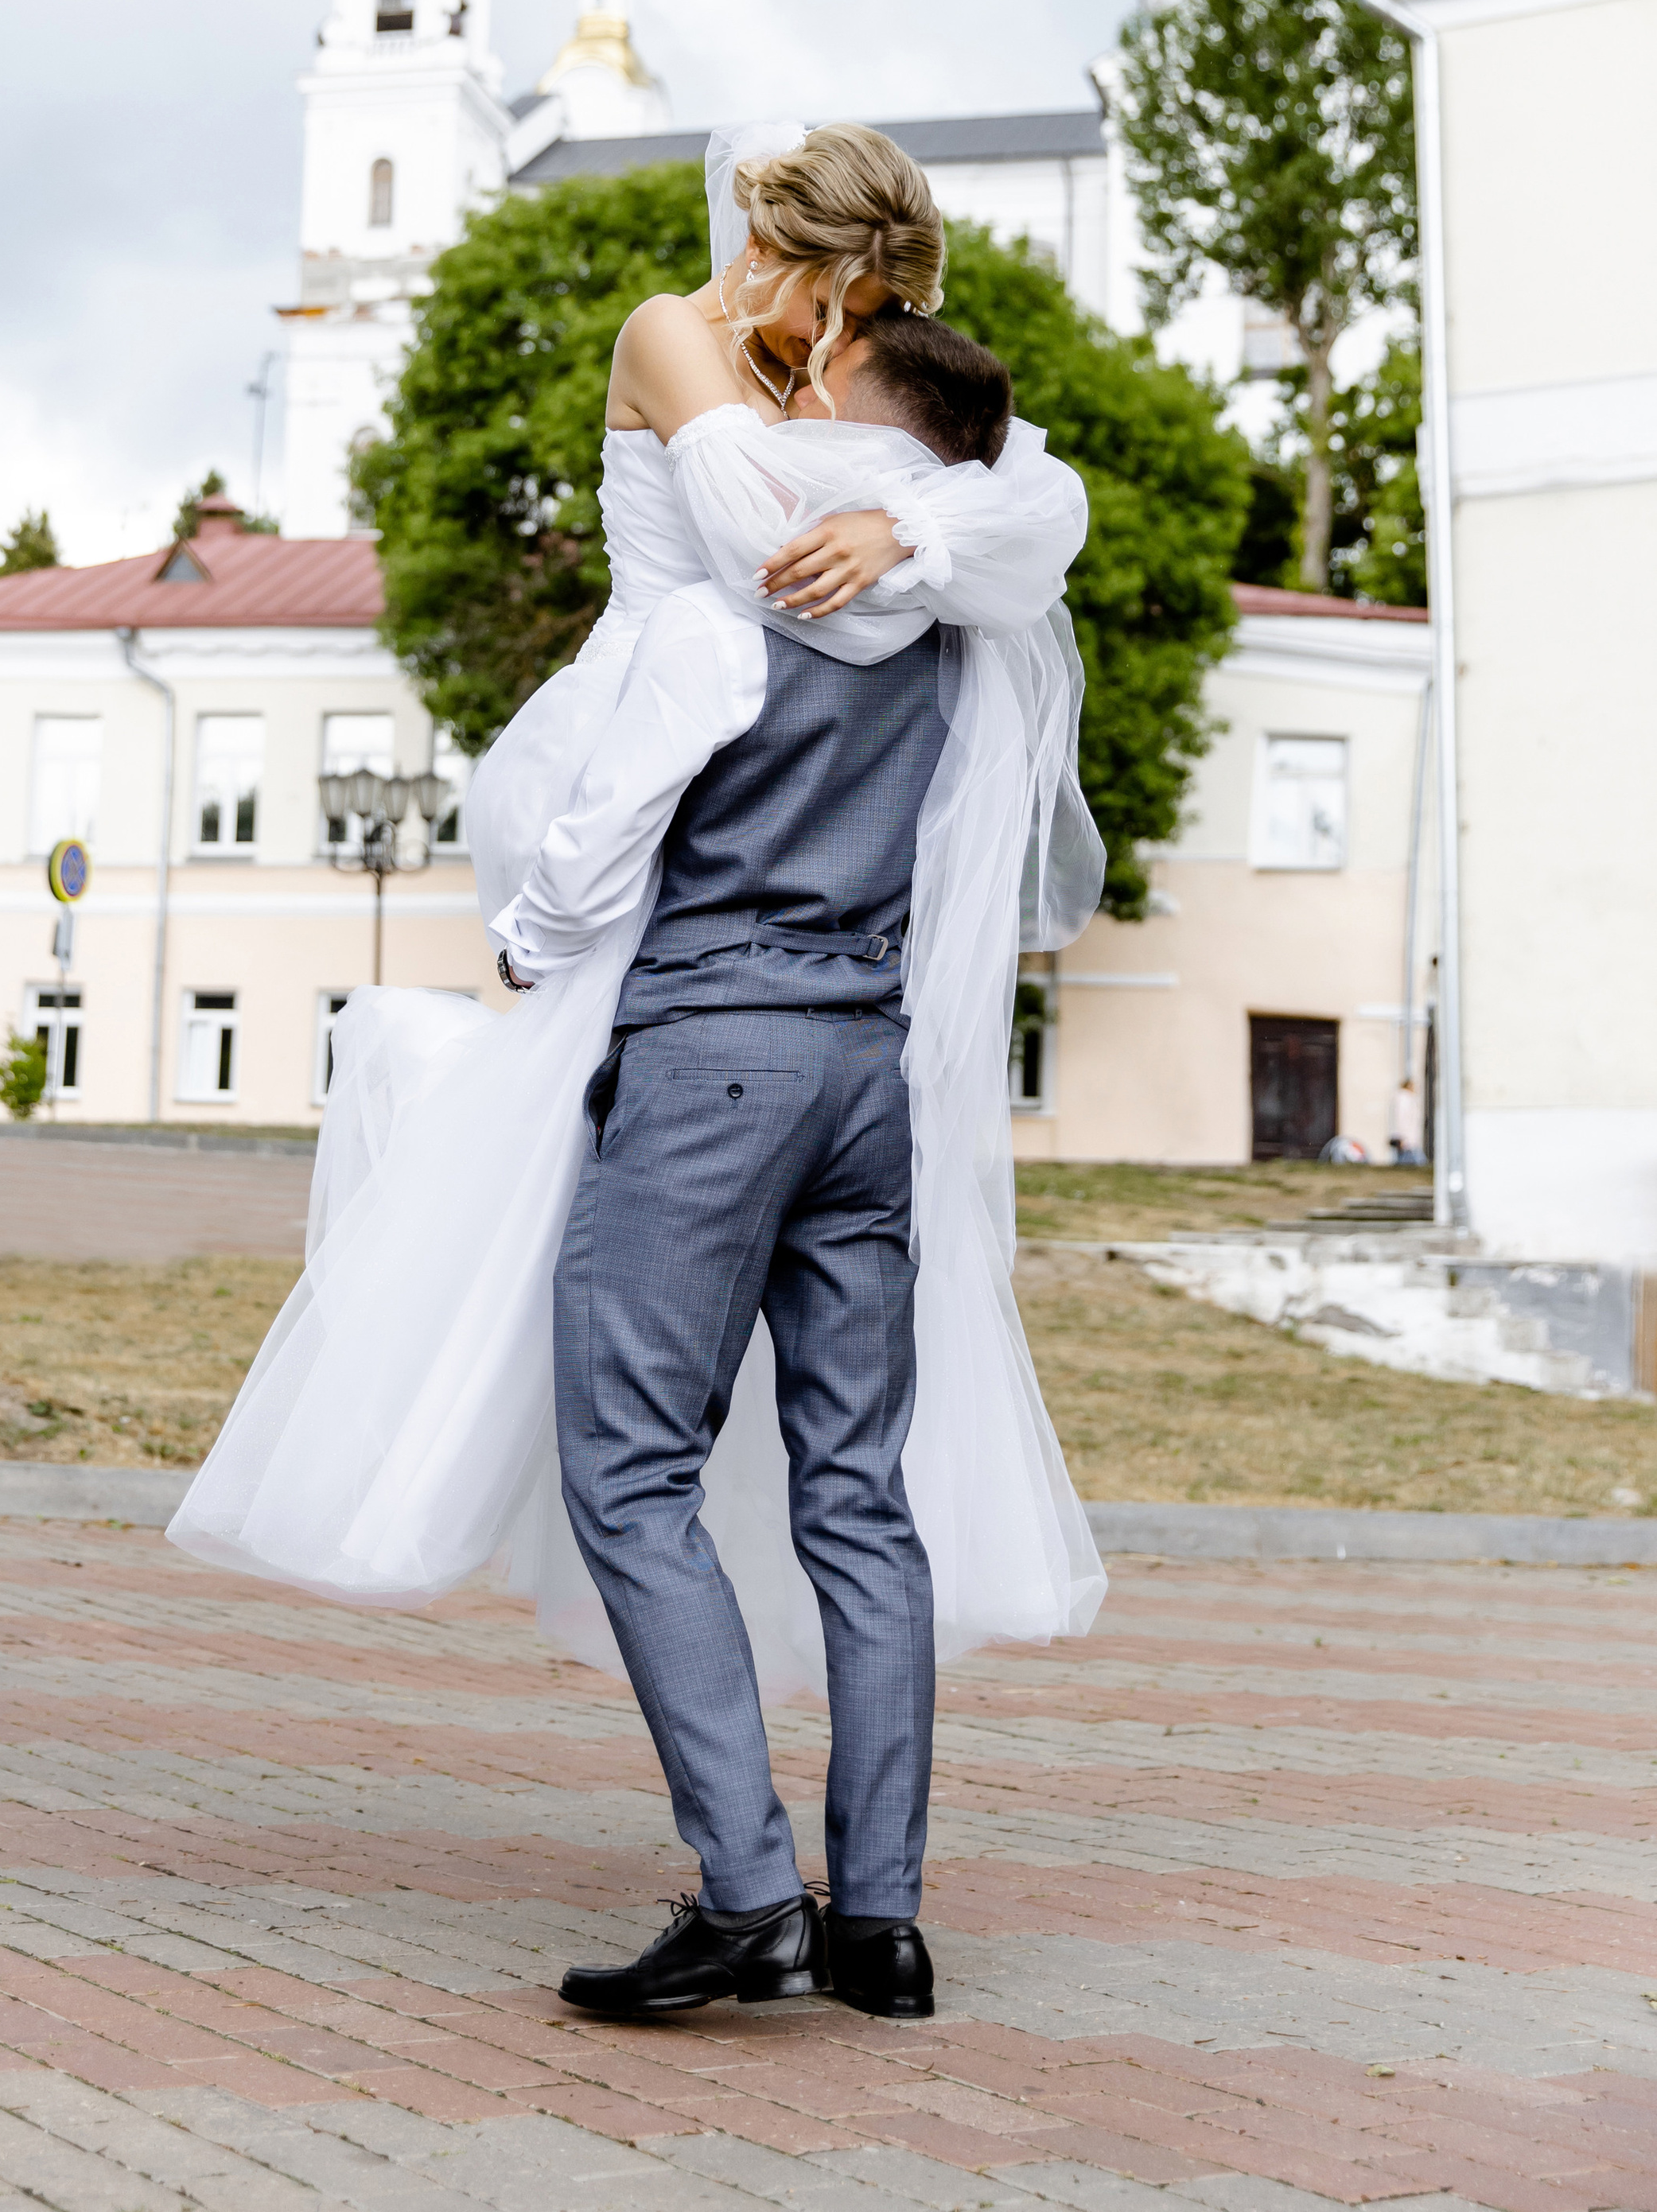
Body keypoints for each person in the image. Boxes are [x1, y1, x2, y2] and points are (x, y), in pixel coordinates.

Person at [167, 122, 1105, 1709]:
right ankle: (484, 1433)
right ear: (822, 275)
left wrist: (921, 524)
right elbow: (770, 564)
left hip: (744, 766)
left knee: (621, 1139)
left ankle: (648, 1490)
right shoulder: (671, 334)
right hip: (635, 743)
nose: (834, 348)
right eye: (842, 314)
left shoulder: (838, 391)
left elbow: (1046, 500)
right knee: (575, 1123)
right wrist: (930, 519)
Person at [495, 314, 1025, 2023]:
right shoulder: (956, 636)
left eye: (824, 405)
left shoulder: (726, 616)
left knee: (631, 1468)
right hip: (866, 1073)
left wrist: (519, 945)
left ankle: (743, 1893)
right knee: (855, 1492)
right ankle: (879, 1915)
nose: (793, 421)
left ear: (879, 450)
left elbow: (594, 853)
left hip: (714, 1058)